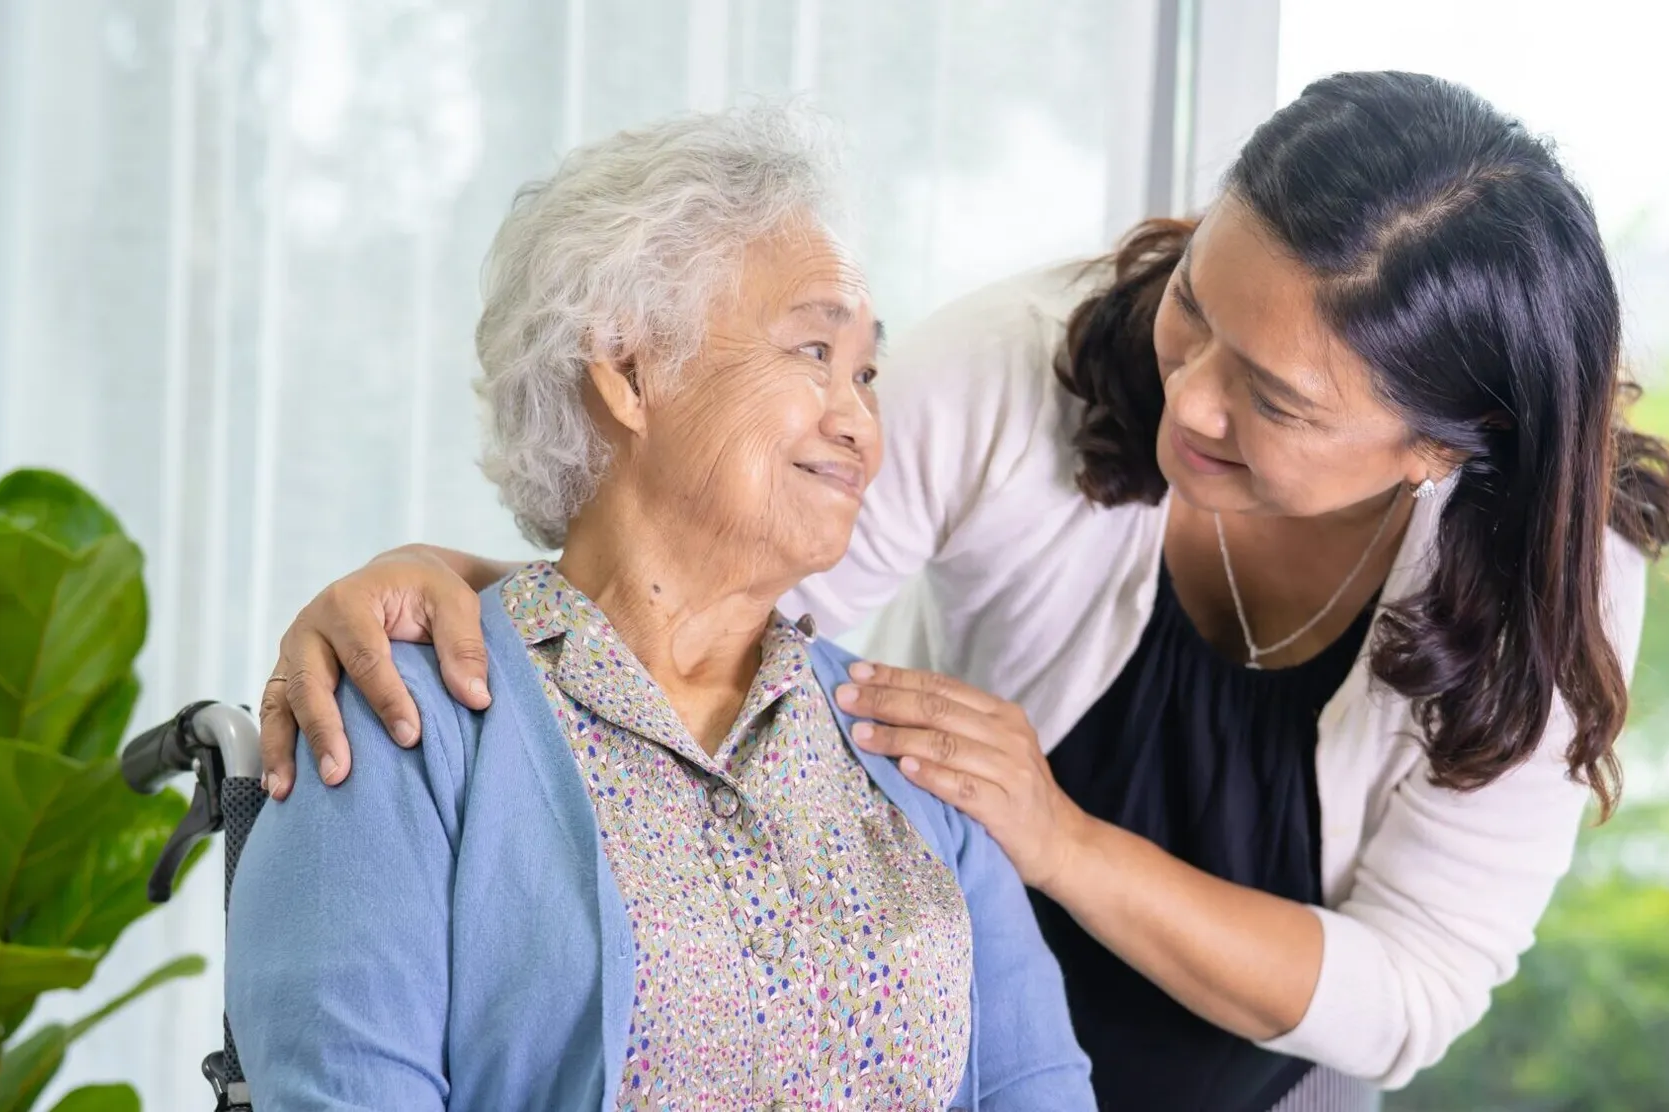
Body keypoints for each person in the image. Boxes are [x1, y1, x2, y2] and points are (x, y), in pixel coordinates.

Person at [255, 73, 1669, 1112]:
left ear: (1439, 450)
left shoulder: (1545, 573)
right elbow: (711, 600)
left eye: (1274, 398)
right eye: (1193, 303)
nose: (1185, 397)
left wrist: (1054, 837)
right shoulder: (1025, 369)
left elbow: (1411, 991)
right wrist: (439, 583)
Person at [225, 105, 1095, 1112]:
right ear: (630, 371)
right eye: (814, 351)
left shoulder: (910, 750)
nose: (859, 419)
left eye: (864, 371)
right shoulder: (400, 725)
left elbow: (1039, 1089)